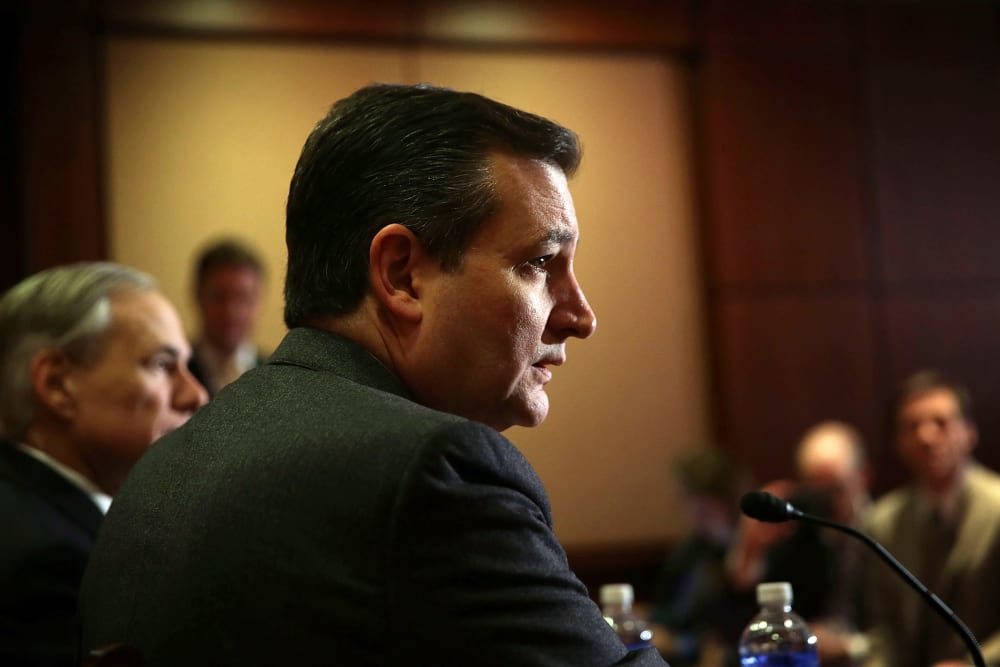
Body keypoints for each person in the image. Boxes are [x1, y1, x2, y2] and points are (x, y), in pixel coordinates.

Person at [79, 83, 668, 665]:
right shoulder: (435, 475)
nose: (581, 316)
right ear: (402, 274)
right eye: (540, 263)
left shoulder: (162, 469)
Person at [0, 262, 207, 666]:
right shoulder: (42, 561)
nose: (195, 395)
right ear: (58, 385)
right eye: (163, 365)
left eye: (188, 366)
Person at [865, 370, 1000, 667]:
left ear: (969, 432)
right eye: (912, 426)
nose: (925, 437)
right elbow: (884, 629)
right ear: (898, 441)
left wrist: (971, 664)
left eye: (941, 422)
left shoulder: (997, 507)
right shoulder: (884, 520)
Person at [728, 421, 873, 666]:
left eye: (834, 488)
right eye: (814, 490)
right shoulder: (797, 535)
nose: (825, 501)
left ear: (862, 477)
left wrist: (848, 645)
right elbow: (739, 607)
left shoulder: (884, 529)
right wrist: (752, 542)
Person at [647, 448, 757, 667]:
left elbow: (733, 629)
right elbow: (665, 610)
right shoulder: (691, 549)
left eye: (689, 499)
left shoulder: (754, 547)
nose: (686, 509)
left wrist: (679, 644)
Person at [187, 238, 267, 397]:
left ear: (258, 301)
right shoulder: (176, 375)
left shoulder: (277, 374)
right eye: (219, 297)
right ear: (198, 296)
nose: (230, 311)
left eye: (242, 297)